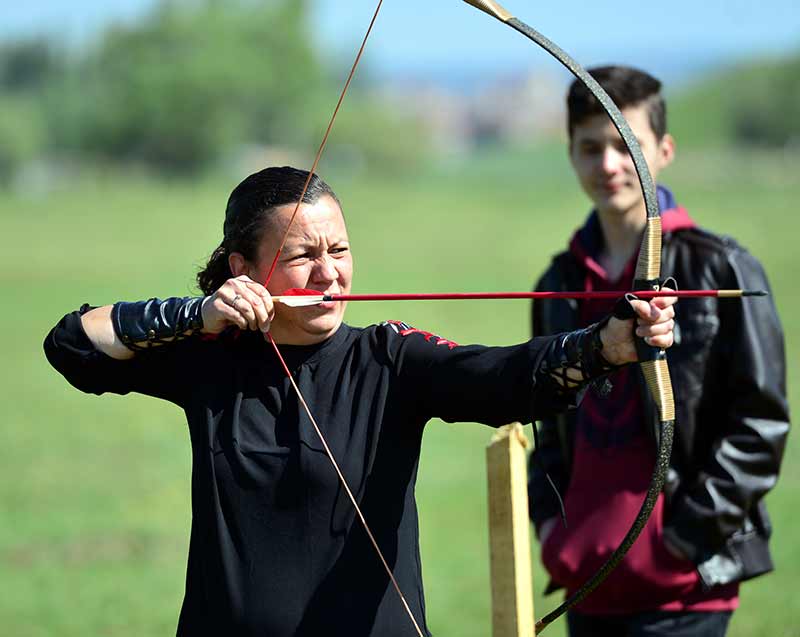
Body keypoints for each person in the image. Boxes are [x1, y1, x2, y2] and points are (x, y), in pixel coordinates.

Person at [44, 165, 676, 637]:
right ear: (245, 266)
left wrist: (607, 344)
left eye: (339, 251)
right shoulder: (208, 355)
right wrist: (198, 313)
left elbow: (502, 376)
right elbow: (74, 345)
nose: (329, 274)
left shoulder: (388, 358)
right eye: (302, 256)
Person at [528, 66, 790, 636]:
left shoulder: (717, 268)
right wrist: (552, 527)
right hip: (588, 581)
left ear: (664, 150)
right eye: (590, 147)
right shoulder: (558, 283)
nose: (608, 165)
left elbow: (760, 424)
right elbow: (545, 424)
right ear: (570, 153)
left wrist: (685, 536)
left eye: (628, 147)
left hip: (682, 588)